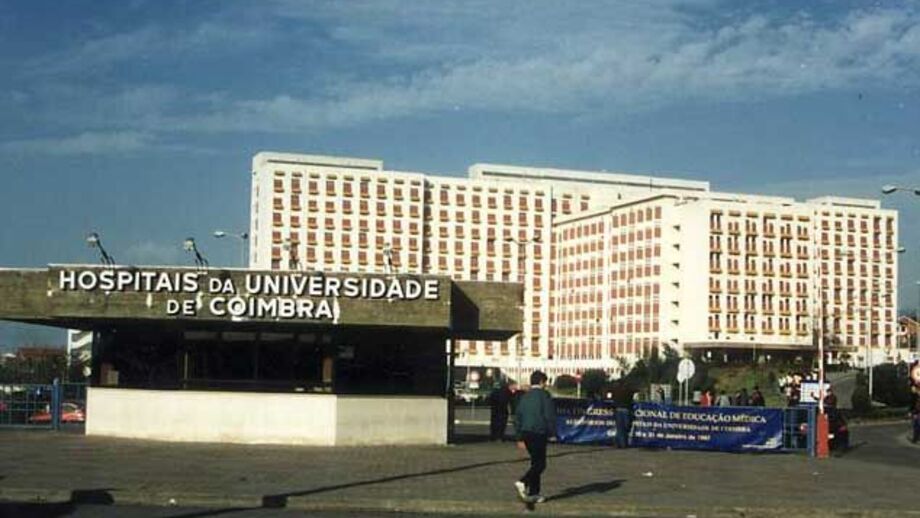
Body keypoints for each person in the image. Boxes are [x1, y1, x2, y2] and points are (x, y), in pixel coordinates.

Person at [514, 370, 556, 504]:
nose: (546, 385)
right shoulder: (544, 395)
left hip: (526, 433)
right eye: (545, 383)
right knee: (541, 464)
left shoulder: (524, 396)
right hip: (539, 432)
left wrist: (519, 437)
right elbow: (549, 415)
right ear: (541, 382)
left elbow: (518, 417)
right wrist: (552, 432)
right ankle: (523, 481)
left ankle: (534, 493)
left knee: (535, 462)